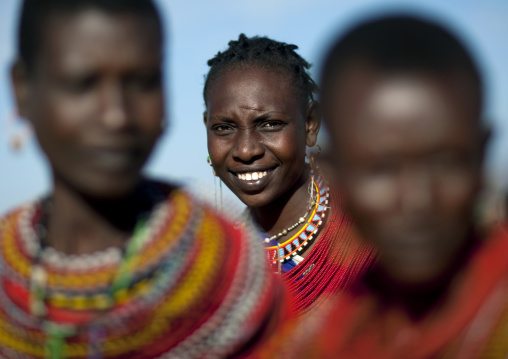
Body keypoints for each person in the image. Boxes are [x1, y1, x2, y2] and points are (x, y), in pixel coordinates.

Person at [0, 1, 290, 358]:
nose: (116, 115)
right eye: (83, 84)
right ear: (23, 89)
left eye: (142, 82)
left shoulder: (229, 274)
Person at [280, 14, 508, 358]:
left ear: (481, 157)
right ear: (333, 174)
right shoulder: (327, 339)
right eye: (381, 170)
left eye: (446, 162)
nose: (418, 201)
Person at [203, 34, 376, 314]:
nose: (246, 150)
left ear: (310, 124)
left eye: (270, 124)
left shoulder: (371, 234)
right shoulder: (214, 264)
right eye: (224, 128)